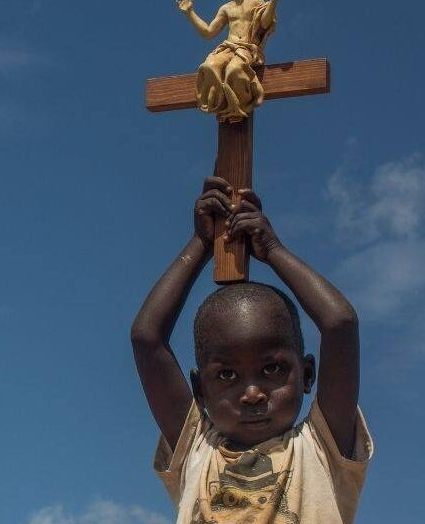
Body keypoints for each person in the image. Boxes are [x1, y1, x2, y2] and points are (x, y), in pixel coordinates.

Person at [130, 177, 372, 523]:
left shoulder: (320, 449)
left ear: (306, 374)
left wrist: (274, 250)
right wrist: (201, 243)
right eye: (227, 375)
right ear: (199, 390)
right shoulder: (197, 452)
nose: (253, 393)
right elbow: (146, 338)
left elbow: (340, 324)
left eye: (272, 369)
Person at [177, 0, 288, 122]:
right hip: (228, 48)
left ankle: (236, 108)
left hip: (247, 49)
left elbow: (264, 24)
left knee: (234, 70)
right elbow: (209, 32)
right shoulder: (226, 8)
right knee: (209, 66)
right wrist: (190, 13)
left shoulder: (257, 2)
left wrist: (274, 0)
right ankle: (220, 103)